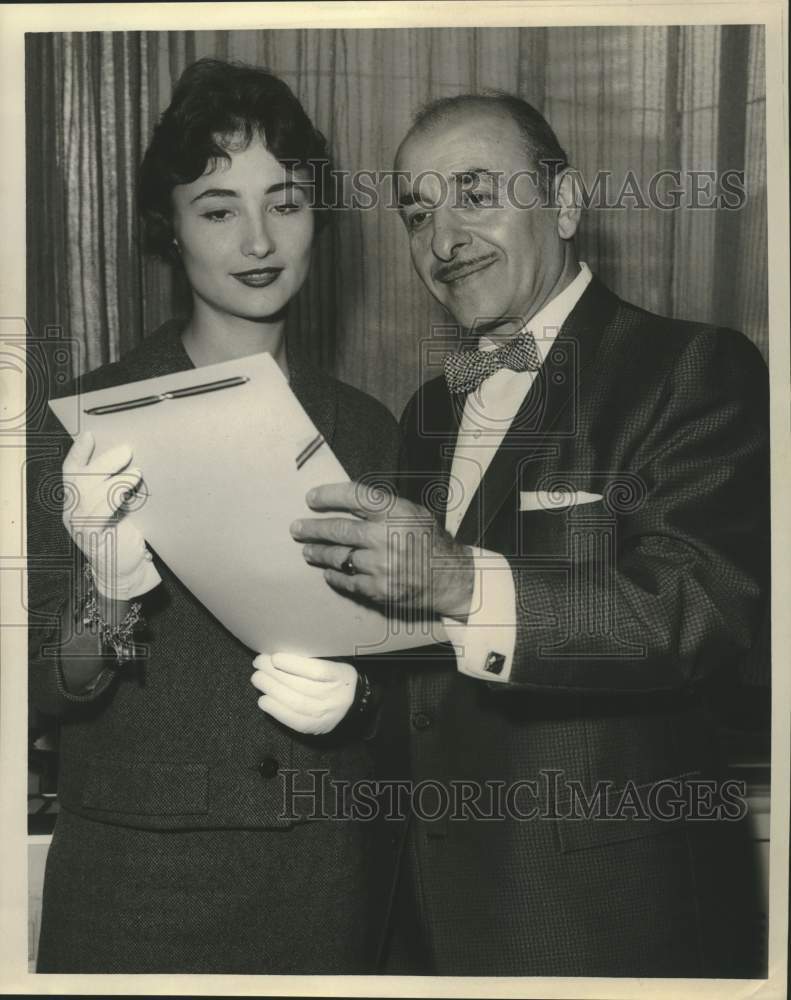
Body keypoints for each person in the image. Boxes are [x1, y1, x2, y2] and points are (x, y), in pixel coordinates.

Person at [290, 93, 770, 977]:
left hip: (609, 924)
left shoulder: (692, 366)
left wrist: (461, 581)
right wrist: (351, 689)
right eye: (419, 212)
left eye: (475, 194)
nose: (443, 240)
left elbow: (700, 607)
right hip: (428, 917)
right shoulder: (428, 407)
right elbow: (427, 665)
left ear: (566, 203)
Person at [28, 58, 399, 974]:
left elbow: (425, 686)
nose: (259, 240)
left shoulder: (370, 428)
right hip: (138, 885)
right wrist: (106, 596)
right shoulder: (79, 422)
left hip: (325, 881)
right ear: (172, 232)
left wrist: (366, 702)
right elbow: (31, 688)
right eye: (218, 208)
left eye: (284, 201)